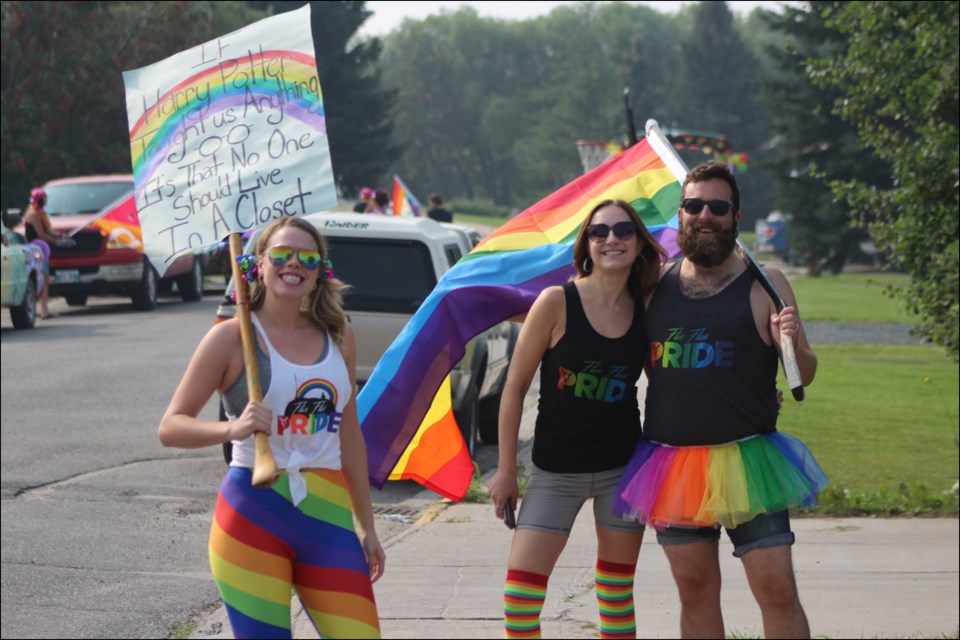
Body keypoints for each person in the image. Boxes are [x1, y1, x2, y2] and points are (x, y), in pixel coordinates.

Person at [613, 161, 825, 639]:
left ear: (735, 216)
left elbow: (802, 375)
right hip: (672, 466)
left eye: (717, 206)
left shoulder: (765, 281)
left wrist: (790, 341)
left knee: (776, 589)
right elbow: (654, 368)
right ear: (680, 215)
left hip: (750, 462)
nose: (704, 214)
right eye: (693, 205)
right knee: (694, 591)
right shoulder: (652, 285)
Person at [157, 216, 384, 639]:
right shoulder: (230, 338)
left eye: (307, 257)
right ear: (258, 264)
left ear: (320, 272)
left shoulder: (340, 335)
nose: (293, 263)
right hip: (253, 513)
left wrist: (366, 526)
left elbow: (349, 436)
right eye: (281, 254)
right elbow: (171, 427)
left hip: (327, 511)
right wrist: (231, 429)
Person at [487, 199, 667, 639]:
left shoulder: (647, 309)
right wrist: (506, 471)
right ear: (586, 244)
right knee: (521, 599)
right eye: (599, 231)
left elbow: (669, 382)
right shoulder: (556, 302)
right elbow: (513, 390)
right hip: (554, 471)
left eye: (624, 231)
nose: (611, 239)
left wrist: (750, 393)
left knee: (616, 592)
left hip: (623, 471)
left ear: (639, 241)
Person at [23, 187, 72, 319]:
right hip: (36, 249)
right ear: (40, 200)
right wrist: (57, 242)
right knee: (42, 278)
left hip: (41, 249)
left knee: (45, 278)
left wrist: (61, 236)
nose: (46, 201)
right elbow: (41, 235)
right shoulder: (33, 214)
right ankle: (42, 310)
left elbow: (48, 231)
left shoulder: (40, 213)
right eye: (44, 199)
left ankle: (44, 309)